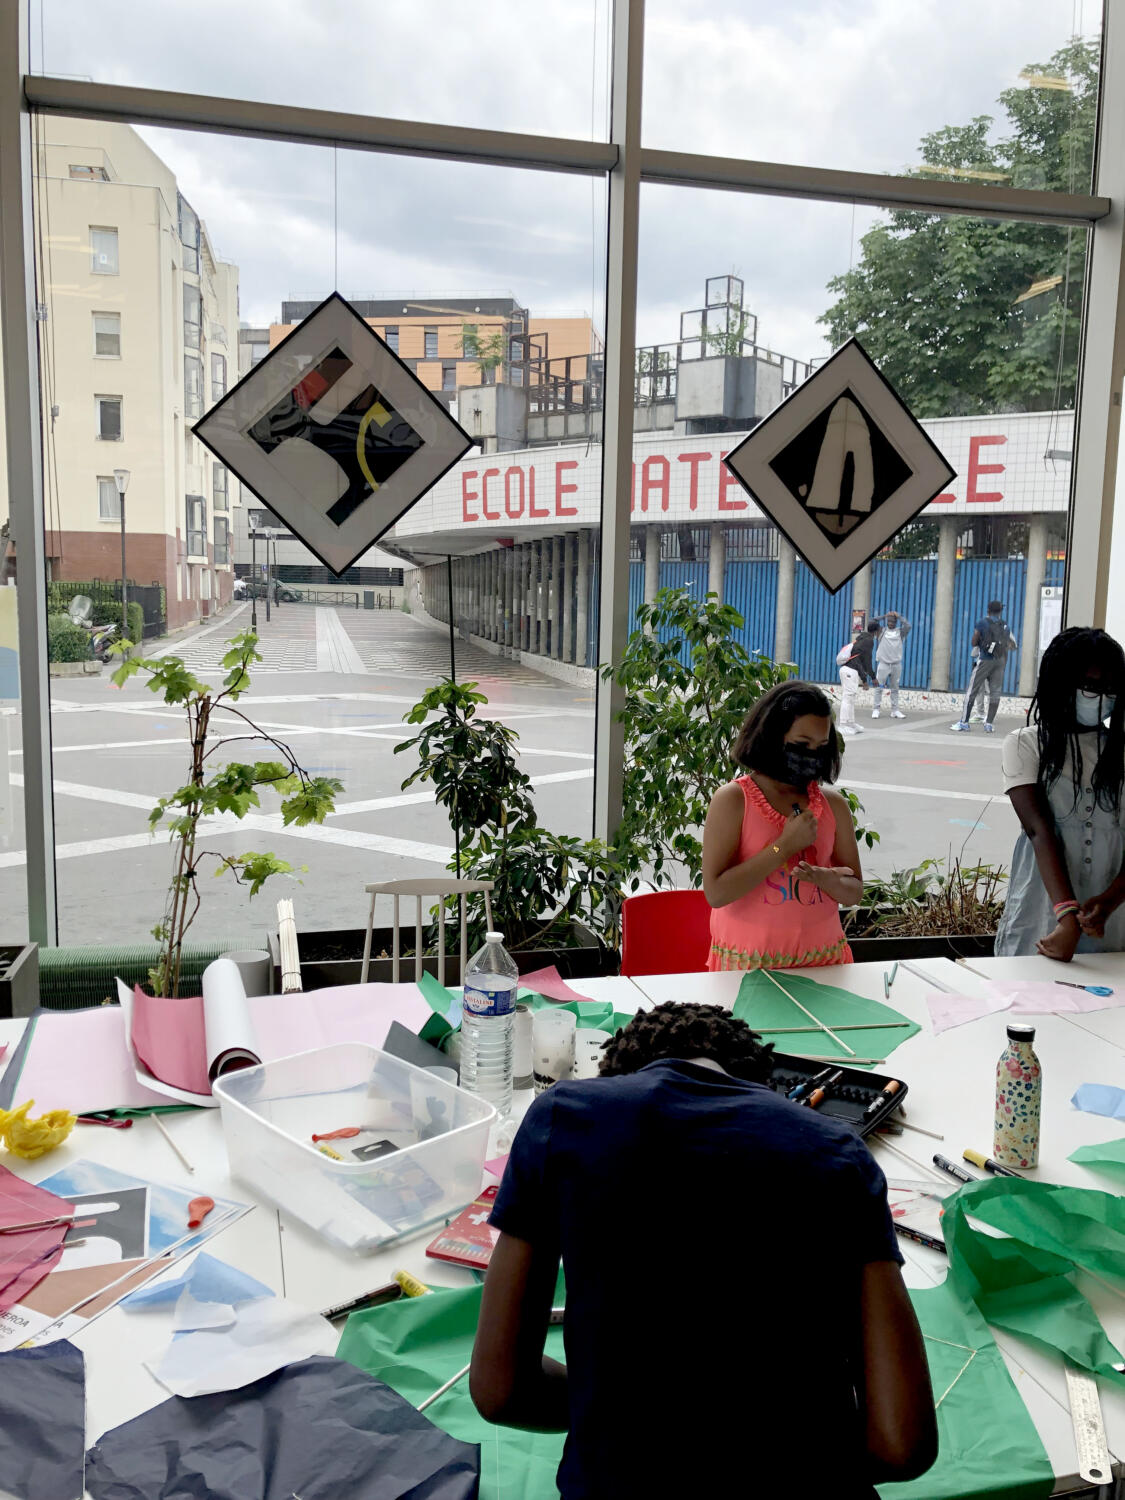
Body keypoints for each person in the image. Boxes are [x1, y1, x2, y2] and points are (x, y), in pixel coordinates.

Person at [471, 1002, 938, 1500]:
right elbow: (900, 1445)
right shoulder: (838, 1153)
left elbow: (502, 1392)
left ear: (619, 1077)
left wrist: (626, 1411)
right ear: (758, 1083)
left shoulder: (565, 1118)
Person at [701, 680, 862, 970]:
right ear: (773, 737)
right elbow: (716, 893)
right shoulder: (733, 800)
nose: (812, 755)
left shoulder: (834, 806)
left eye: (821, 747)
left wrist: (827, 880)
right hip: (748, 969)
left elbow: (855, 890)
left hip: (825, 964)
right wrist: (784, 847)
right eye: (801, 745)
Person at [996, 626, 1125, 959]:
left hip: (1113, 915)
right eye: (1091, 686)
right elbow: (1039, 830)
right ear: (1061, 682)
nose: (1102, 697)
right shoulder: (1026, 745)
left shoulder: (1120, 751)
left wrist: (1110, 901)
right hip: (1043, 912)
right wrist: (1067, 917)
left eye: (1111, 688)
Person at [951, 600, 1016, 734]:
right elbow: (1008, 645)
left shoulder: (982, 623)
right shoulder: (1005, 626)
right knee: (995, 692)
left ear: (988, 610)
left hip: (985, 659)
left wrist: (980, 640)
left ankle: (964, 723)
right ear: (1000, 611)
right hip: (1000, 661)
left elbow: (974, 642)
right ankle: (989, 724)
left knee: (972, 690)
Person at [837, 621, 879, 737]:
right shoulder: (868, 641)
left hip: (850, 671)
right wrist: (868, 678)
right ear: (876, 631)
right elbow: (865, 662)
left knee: (850, 698)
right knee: (847, 698)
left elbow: (861, 660)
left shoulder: (862, 638)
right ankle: (843, 725)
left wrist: (866, 678)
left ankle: (850, 723)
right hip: (850, 671)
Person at [871, 610, 910, 719]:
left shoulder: (900, 632)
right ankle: (876, 709)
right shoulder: (881, 631)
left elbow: (908, 626)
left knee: (895, 688)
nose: (891, 623)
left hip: (896, 665)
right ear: (887, 621)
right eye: (889, 621)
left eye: (893, 621)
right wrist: (884, 615)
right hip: (883, 664)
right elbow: (872, 621)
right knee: (879, 687)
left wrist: (899, 617)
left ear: (896, 622)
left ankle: (895, 710)